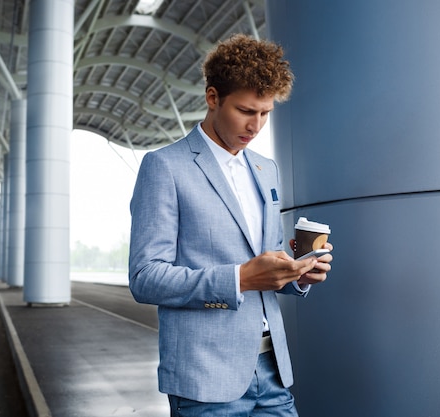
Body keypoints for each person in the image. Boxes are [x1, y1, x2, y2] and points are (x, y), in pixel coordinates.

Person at [128, 34, 333, 416]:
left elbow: (266, 262)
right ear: (212, 97)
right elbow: (145, 277)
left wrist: (298, 273)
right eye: (245, 111)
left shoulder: (266, 169)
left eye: (265, 113)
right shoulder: (165, 167)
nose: (255, 126)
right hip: (206, 377)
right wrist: (239, 278)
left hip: (272, 371)